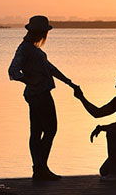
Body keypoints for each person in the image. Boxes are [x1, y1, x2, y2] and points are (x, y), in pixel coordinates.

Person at [8, 15, 78, 181]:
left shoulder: (33, 50)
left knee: (39, 131)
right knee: (49, 129)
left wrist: (68, 82)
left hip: (39, 93)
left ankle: (40, 168)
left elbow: (49, 68)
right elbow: (13, 71)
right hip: (38, 94)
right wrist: (29, 80)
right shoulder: (25, 48)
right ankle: (40, 167)